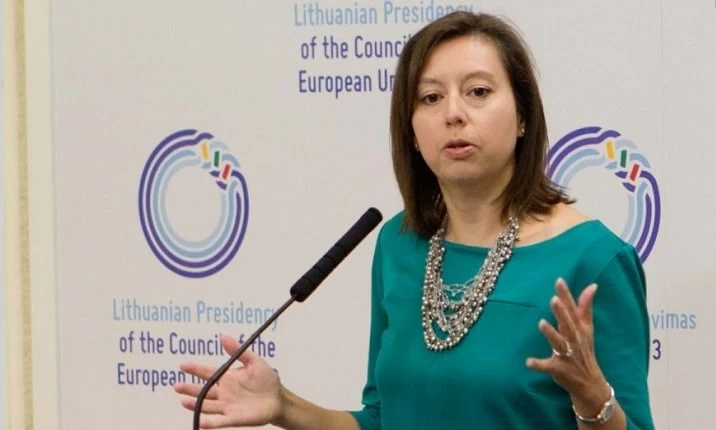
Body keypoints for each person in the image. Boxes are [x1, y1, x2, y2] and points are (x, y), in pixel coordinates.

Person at [173, 10, 655, 430]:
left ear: (524, 115)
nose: (453, 114)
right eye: (430, 98)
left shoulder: (592, 259)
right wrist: (284, 406)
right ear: (411, 128)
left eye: (478, 91)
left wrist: (593, 399)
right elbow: (382, 419)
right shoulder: (399, 243)